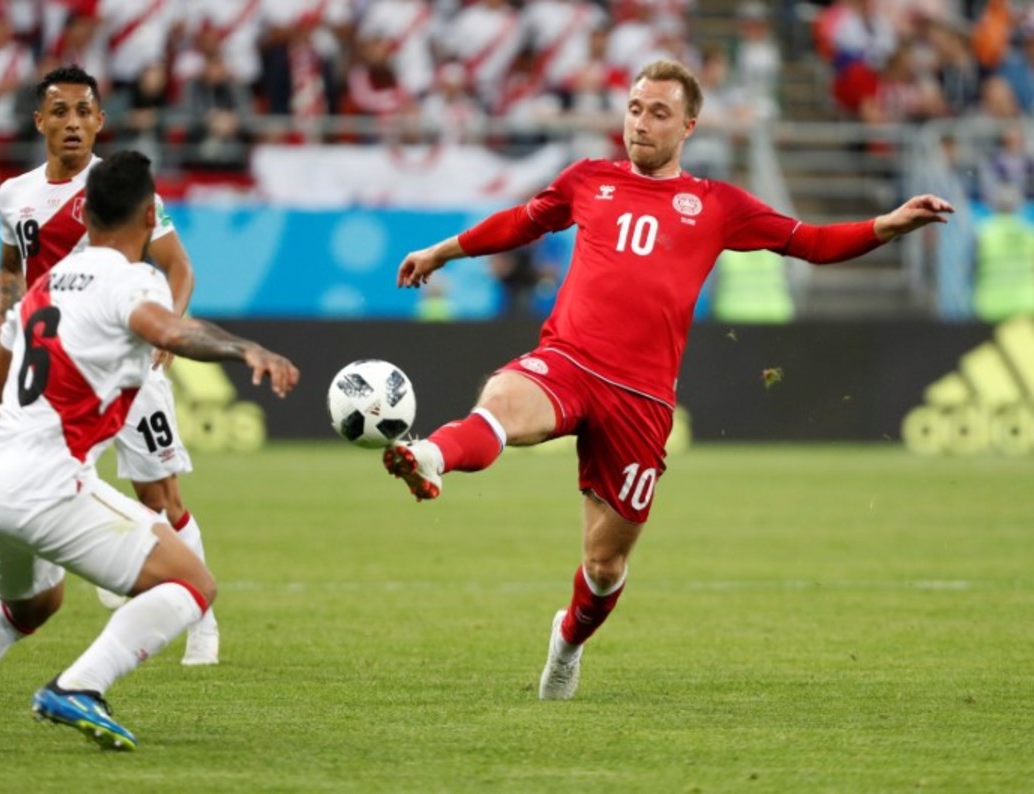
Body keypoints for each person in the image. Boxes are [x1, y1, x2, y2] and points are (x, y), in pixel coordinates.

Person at [382, 59, 953, 702]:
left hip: (642, 399)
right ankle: (430, 457)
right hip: (569, 360)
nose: (641, 123)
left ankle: (567, 642)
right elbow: (521, 221)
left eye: (658, 113)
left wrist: (887, 225)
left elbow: (810, 242)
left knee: (604, 566)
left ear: (688, 127)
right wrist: (442, 250)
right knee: (501, 405)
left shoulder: (718, 205)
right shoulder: (588, 179)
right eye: (634, 109)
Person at [0, 151, 300, 749]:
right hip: (48, 487)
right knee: (193, 583)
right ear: (150, 216)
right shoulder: (131, 279)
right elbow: (169, 330)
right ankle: (80, 687)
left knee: (31, 607)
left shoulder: (43, 286)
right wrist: (244, 349)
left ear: (86, 214)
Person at [0, 66, 221, 666]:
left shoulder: (122, 190)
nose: (72, 123)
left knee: (160, 494)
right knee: (50, 478)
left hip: (126, 361)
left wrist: (169, 327)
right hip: (58, 371)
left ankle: (202, 620)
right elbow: (11, 268)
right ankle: (108, 564)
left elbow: (180, 266)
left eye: (84, 111)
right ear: (39, 121)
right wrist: (3, 319)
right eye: (60, 111)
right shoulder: (14, 195)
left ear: (100, 122)